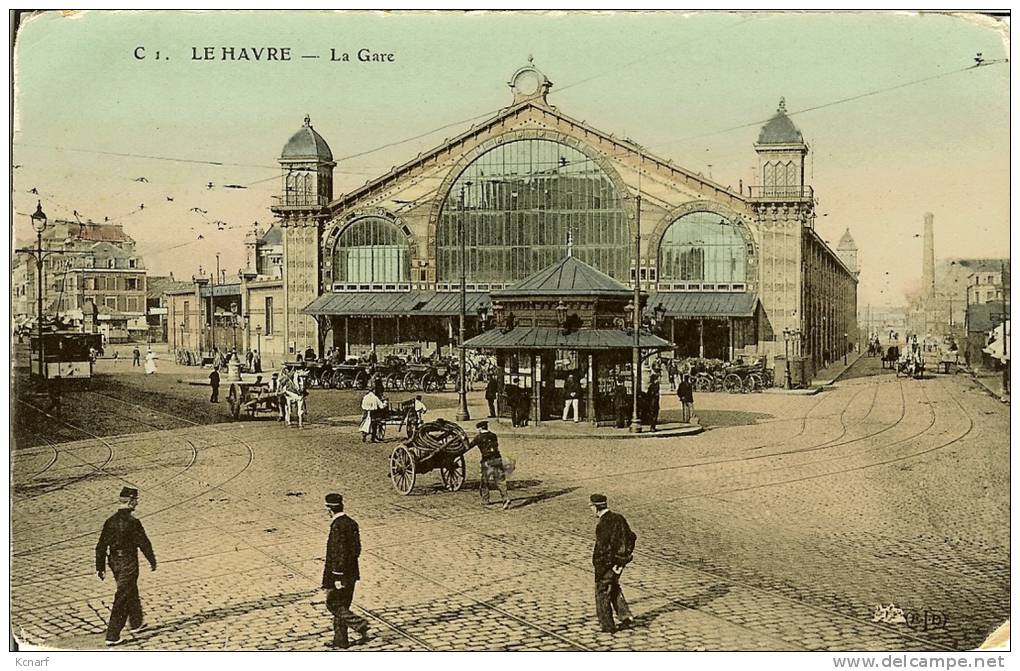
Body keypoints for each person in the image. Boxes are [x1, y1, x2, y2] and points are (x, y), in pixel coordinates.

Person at [95, 487, 157, 646]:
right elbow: (144, 543)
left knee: (130, 589)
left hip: (114, 562)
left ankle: (136, 623)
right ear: (130, 502)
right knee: (123, 595)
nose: (137, 502)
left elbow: (101, 546)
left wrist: (100, 567)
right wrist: (152, 560)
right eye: (136, 500)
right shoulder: (133, 522)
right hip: (128, 561)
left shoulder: (110, 521)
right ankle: (113, 635)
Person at [321, 493, 371, 649]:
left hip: (339, 574)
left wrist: (338, 576)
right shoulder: (351, 523)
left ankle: (359, 623)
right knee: (343, 605)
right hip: (352, 572)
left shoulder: (337, 526)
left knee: (333, 604)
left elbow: (339, 552)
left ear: (329, 509)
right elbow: (357, 549)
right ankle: (341, 640)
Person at [589, 494, 635, 634]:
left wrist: (604, 566)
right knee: (614, 587)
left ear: (596, 508)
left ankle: (607, 625)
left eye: (591, 506)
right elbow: (632, 537)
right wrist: (624, 559)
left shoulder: (603, 524)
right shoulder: (618, 518)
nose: (591, 509)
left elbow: (604, 550)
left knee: (602, 591)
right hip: (620, 562)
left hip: (608, 565)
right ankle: (626, 617)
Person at [469, 421, 511, 509]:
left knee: (484, 481)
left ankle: (485, 500)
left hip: (487, 461)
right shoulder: (493, 435)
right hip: (497, 458)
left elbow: (469, 446)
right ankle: (505, 498)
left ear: (480, 428)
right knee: (500, 480)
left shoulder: (478, 437)